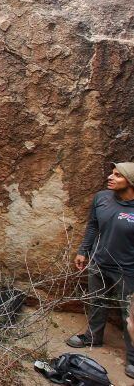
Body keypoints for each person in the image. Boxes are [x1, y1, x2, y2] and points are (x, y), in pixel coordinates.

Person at [67, 162, 134, 379]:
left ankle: (132, 358)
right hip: (99, 262)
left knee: (129, 314)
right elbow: (93, 225)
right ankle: (93, 337)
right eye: (111, 173)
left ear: (130, 182)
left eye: (117, 175)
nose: (110, 177)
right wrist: (83, 251)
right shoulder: (102, 198)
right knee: (96, 301)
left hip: (128, 270)